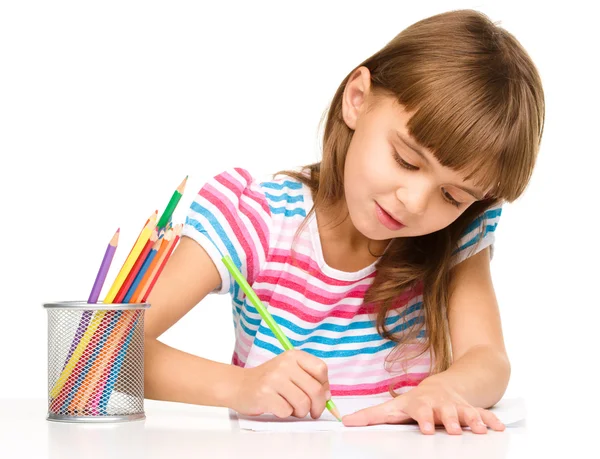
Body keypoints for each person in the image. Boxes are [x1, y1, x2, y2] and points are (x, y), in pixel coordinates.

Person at [143, 9, 545, 435]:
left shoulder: (456, 234)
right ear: (357, 99)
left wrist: (446, 388)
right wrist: (242, 387)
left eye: (452, 196)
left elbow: (488, 358)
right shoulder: (255, 218)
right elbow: (105, 350)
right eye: (406, 160)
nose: (413, 202)